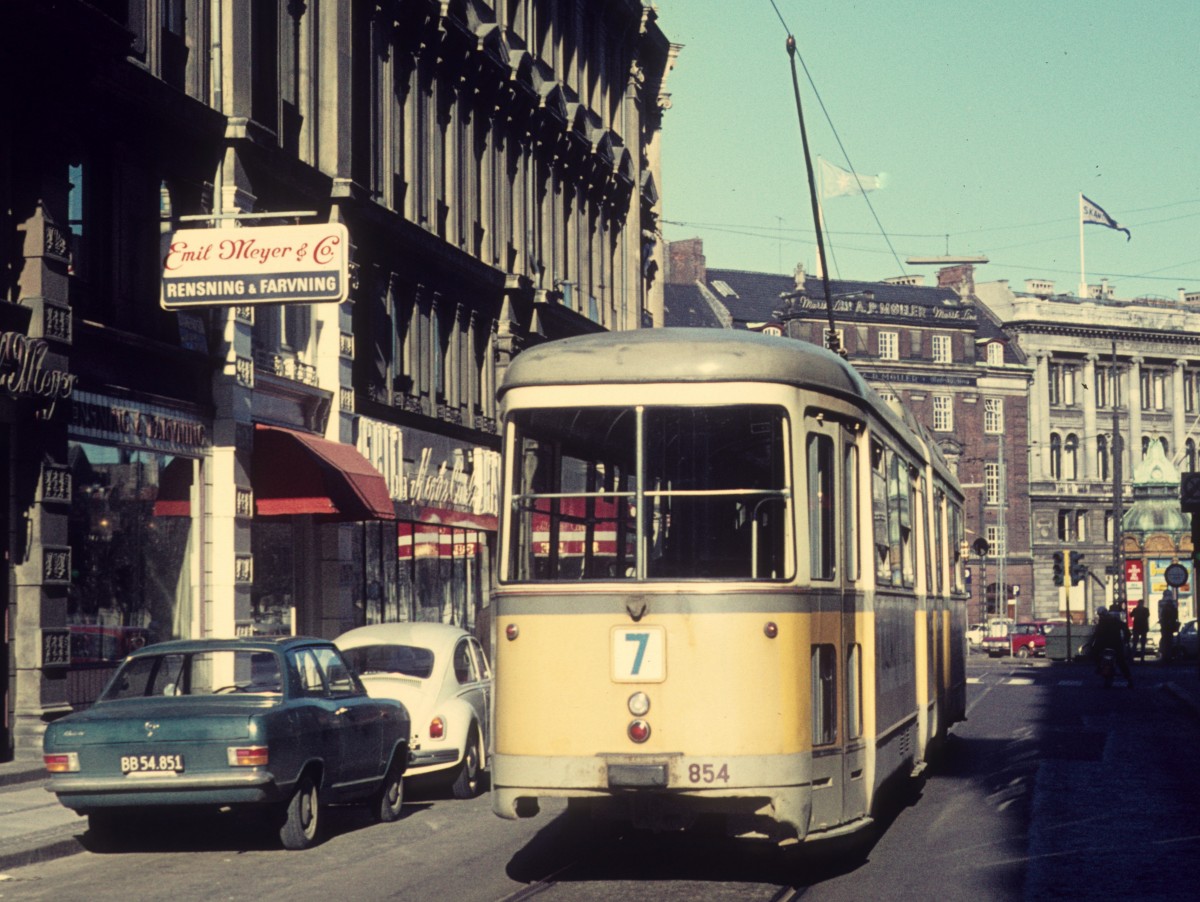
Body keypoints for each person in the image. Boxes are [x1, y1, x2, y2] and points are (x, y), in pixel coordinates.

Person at [1091, 607, 1133, 688]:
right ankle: (1129, 679)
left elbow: (1096, 634)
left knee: (1095, 653)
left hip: (1105, 644)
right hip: (1116, 644)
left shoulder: (1102, 622)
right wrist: (1126, 639)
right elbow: (1125, 629)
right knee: (1121, 662)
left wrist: (1092, 642)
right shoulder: (1115, 620)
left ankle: (1099, 667)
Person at [1159, 591, 1179, 661]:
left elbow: (1161, 615)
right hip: (1170, 627)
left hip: (1165, 627)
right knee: (1169, 641)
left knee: (1165, 641)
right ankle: (1168, 655)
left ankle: (1165, 655)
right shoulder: (1173, 607)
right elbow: (1176, 616)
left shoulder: (1164, 607)